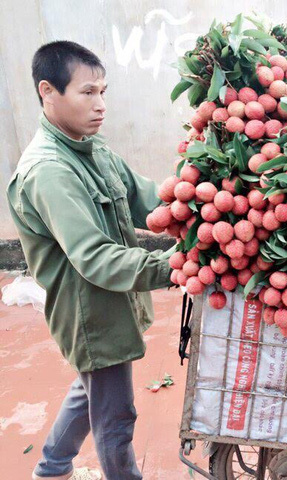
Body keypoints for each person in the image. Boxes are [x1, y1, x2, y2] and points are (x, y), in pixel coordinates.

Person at [6, 41, 174, 480]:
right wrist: (174, 266)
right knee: (115, 418)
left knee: (91, 390)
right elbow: (96, 258)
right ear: (48, 91)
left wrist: (204, 203)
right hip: (90, 314)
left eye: (104, 92)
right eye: (87, 93)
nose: (100, 105)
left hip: (113, 304)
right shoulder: (50, 171)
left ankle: (51, 468)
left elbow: (150, 202)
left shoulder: (92, 148)